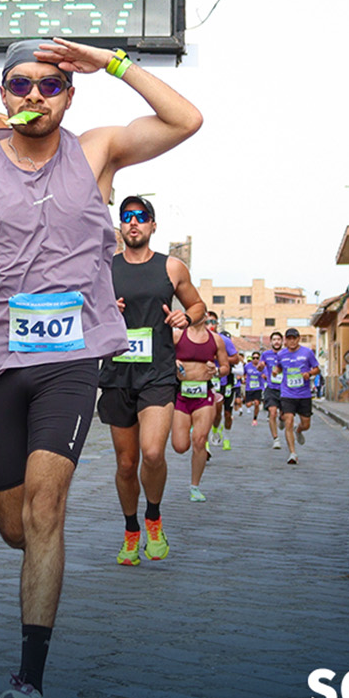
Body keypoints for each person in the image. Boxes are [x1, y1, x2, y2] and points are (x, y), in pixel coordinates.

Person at [0, 37, 201, 698]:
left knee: (46, 508)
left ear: (69, 96)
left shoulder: (97, 152)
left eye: (49, 85)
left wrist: (111, 62)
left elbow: (185, 119)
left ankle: (28, 683)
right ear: (2, 94)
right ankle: (36, 568)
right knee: (16, 526)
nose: (34, 95)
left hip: (72, 361)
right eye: (20, 84)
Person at [98, 195, 204, 565]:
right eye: (127, 216)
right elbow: (86, 312)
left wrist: (186, 318)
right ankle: (131, 531)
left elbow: (197, 305)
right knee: (127, 464)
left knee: (153, 452)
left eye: (141, 216)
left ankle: (153, 519)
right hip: (117, 373)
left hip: (157, 373)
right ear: (121, 225)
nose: (133, 222)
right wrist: (105, 310)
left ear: (153, 225)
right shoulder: (105, 268)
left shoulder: (171, 267)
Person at [171, 313, 231, 502]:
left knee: (199, 440)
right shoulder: (177, 335)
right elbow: (162, 356)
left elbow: (226, 367)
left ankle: (195, 486)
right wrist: (173, 362)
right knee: (180, 446)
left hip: (204, 394)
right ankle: (189, 428)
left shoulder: (216, 339)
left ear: (205, 316)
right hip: (181, 394)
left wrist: (217, 371)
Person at [277, 327, 321, 465]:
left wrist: (309, 373)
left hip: (304, 394)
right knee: (288, 421)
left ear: (298, 339)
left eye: (294, 338)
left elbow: (317, 368)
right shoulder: (281, 354)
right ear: (285, 340)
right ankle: (292, 453)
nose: (292, 341)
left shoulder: (307, 352)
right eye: (289, 338)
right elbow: (279, 367)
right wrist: (275, 371)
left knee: (306, 424)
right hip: (287, 393)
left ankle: (299, 429)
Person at [206, 313, 241, 450]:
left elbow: (236, 359)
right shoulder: (197, 338)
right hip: (205, 379)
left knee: (225, 413)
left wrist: (219, 358)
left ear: (217, 324)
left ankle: (225, 435)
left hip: (224, 380)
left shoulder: (224, 340)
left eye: (213, 322)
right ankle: (205, 441)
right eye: (207, 322)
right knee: (207, 411)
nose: (210, 325)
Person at [260, 330, 285, 449]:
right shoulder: (266, 354)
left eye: (278, 339)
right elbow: (260, 366)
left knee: (284, 415)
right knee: (272, 412)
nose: (276, 342)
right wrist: (260, 367)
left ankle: (282, 419)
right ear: (270, 342)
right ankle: (276, 439)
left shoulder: (286, 354)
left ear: (282, 341)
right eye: (274, 340)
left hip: (285, 389)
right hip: (271, 388)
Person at [241, 351, 266, 425]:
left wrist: (264, 377)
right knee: (248, 405)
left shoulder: (262, 367)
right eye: (253, 358)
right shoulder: (247, 366)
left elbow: (266, 375)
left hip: (258, 388)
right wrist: (244, 378)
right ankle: (252, 403)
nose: (255, 359)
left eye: (257, 358)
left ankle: (255, 418)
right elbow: (243, 373)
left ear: (259, 359)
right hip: (249, 388)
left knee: (257, 403)